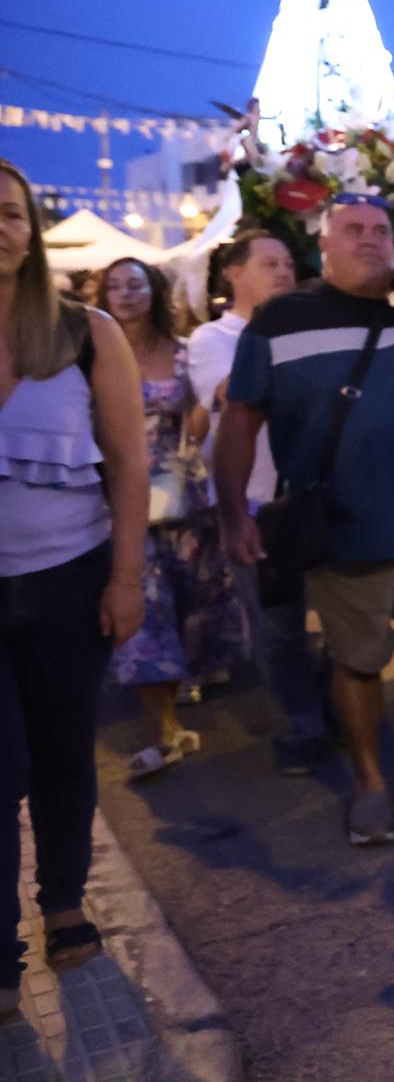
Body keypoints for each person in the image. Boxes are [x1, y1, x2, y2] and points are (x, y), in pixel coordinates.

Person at [213, 194, 394, 847]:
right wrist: (233, 511)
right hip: (345, 528)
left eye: (380, 229)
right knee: (359, 663)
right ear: (324, 244)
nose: (369, 238)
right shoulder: (281, 319)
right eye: (353, 229)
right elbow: (240, 416)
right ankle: (372, 778)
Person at [0, 159, 147, 1019]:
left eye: (13, 213)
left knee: (60, 752)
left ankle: (62, 900)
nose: (2, 227)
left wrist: (126, 577)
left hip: (67, 578)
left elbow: (129, 461)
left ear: (31, 227)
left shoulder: (87, 331)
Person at [96, 257, 249, 778]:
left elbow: (199, 414)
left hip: (184, 498)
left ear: (153, 293)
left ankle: (183, 683)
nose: (124, 294)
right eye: (113, 286)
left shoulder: (184, 354)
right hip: (121, 504)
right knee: (145, 613)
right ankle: (164, 728)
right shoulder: (90, 357)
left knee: (193, 605)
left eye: (134, 284)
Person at [188, 232, 331, 775]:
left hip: (319, 496)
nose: (283, 273)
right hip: (258, 503)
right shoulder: (213, 337)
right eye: (269, 263)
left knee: (349, 620)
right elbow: (233, 393)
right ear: (233, 273)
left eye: (289, 264)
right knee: (278, 626)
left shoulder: (308, 326)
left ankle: (329, 702)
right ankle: (302, 724)